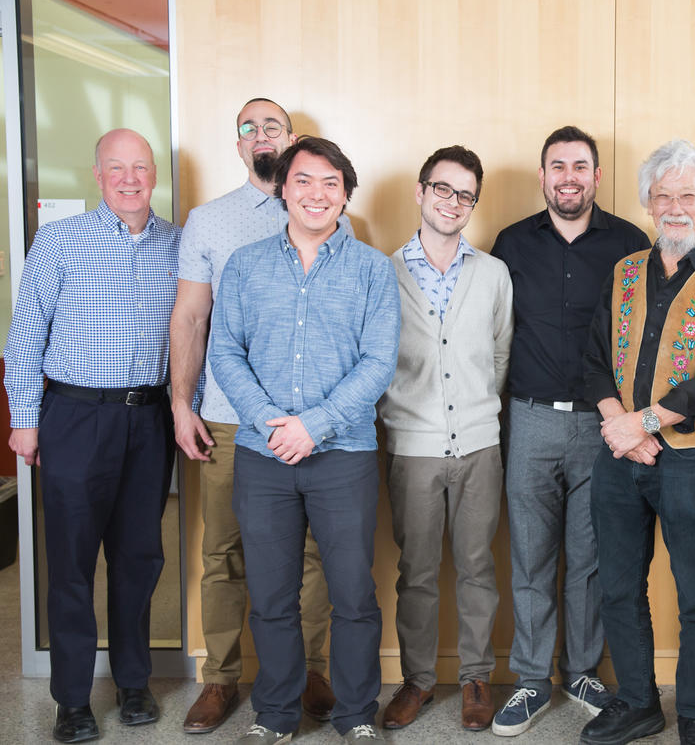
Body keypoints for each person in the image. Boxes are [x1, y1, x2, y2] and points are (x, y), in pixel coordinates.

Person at [210, 136, 400, 743]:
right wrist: (272, 421)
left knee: (351, 594)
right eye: (303, 182)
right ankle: (276, 714)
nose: (316, 194)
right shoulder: (245, 265)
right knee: (270, 594)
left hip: (343, 455)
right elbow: (225, 352)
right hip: (262, 456)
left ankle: (354, 714)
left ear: (345, 193)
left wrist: (313, 425)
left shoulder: (372, 268)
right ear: (282, 189)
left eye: (330, 183)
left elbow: (378, 362)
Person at [580, 139, 695, 745]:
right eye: (664, 196)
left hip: (694, 459)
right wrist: (620, 426)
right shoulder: (624, 271)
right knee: (619, 584)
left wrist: (644, 424)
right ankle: (637, 701)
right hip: (619, 453)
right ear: (648, 204)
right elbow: (594, 360)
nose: (676, 206)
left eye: (689, 195)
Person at [171, 97, 340, 733]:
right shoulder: (209, 222)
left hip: (308, 424)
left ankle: (311, 672)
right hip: (227, 420)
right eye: (249, 128)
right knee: (224, 551)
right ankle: (218, 679)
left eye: (273, 126)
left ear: (293, 138)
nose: (261, 135)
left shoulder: (330, 214)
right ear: (237, 145)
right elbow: (189, 317)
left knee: (312, 556)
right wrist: (181, 403)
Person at [4, 129, 179, 743]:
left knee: (139, 558)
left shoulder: (178, 247)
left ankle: (134, 683)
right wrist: (24, 419)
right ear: (97, 175)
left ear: (155, 174)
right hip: (74, 418)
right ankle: (72, 698)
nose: (130, 179)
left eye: (140, 167)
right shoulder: (57, 240)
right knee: (72, 563)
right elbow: (25, 335)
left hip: (148, 420)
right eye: (116, 168)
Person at [489, 126, 650, 737]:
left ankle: (582, 669)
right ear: (543, 176)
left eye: (580, 166)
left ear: (597, 176)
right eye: (557, 166)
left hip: (603, 424)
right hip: (527, 418)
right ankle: (532, 679)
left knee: (590, 557)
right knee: (531, 555)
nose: (569, 177)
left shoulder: (631, 243)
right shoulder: (511, 243)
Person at [377, 146, 512, 733]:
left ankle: (478, 676)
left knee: (479, 565)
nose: (452, 202)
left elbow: (500, 353)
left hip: (480, 442)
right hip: (412, 445)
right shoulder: (382, 272)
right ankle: (419, 680)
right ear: (420, 191)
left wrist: (477, 410)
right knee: (419, 569)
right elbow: (373, 360)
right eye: (443, 189)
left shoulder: (493, 273)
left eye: (464, 194)